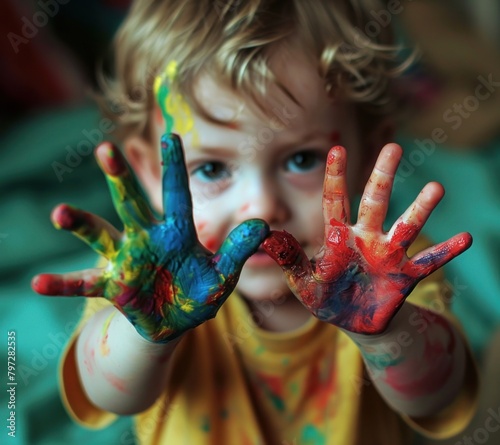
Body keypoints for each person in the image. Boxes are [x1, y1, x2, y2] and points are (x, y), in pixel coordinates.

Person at [31, 0, 479, 443]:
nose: (261, 207)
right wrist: (147, 335)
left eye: (301, 159)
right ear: (150, 171)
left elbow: (436, 398)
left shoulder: (389, 275)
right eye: (211, 169)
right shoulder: (148, 289)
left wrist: (387, 334)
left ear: (368, 151)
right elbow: (110, 395)